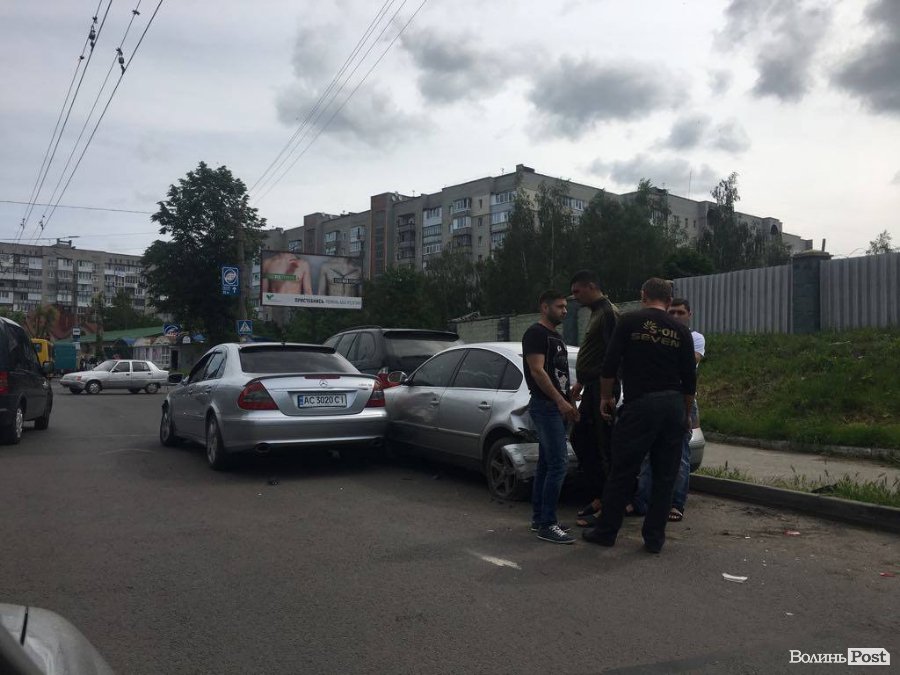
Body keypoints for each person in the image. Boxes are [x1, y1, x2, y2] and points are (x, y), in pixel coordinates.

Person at [582, 278, 696, 554]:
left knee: (622, 470)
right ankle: (654, 539)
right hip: (673, 406)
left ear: (643, 295)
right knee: (665, 476)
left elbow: (609, 364)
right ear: (669, 301)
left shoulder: (629, 321)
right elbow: (689, 380)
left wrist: (606, 397)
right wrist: (685, 414)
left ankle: (606, 532)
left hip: (641, 405)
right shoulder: (681, 331)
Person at [631, 298, 705, 521]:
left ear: (689, 314)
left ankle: (676, 503)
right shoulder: (660, 335)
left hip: (683, 399)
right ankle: (642, 501)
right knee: (648, 453)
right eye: (671, 312)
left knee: (680, 454)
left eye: (680, 312)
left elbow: (689, 363)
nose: (675, 316)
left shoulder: (695, 337)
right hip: (657, 398)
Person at [522, 290, 580, 545]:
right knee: (558, 464)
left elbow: (560, 375)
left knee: (547, 464)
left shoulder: (556, 336)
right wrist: (559, 401)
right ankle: (547, 524)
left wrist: (570, 401)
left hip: (557, 406)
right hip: (546, 406)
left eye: (565, 306)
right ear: (544, 307)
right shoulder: (535, 334)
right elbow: (537, 371)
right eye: (559, 306)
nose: (564, 311)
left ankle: (540, 519)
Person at [568, 270, 619, 528]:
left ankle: (610, 507)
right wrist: (581, 381)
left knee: (604, 447)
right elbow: (596, 353)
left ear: (590, 286)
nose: (574, 297)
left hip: (603, 388)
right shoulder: (596, 312)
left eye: (577, 291)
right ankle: (600, 496)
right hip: (592, 386)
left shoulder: (608, 313)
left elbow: (613, 355)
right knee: (580, 437)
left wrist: (606, 394)